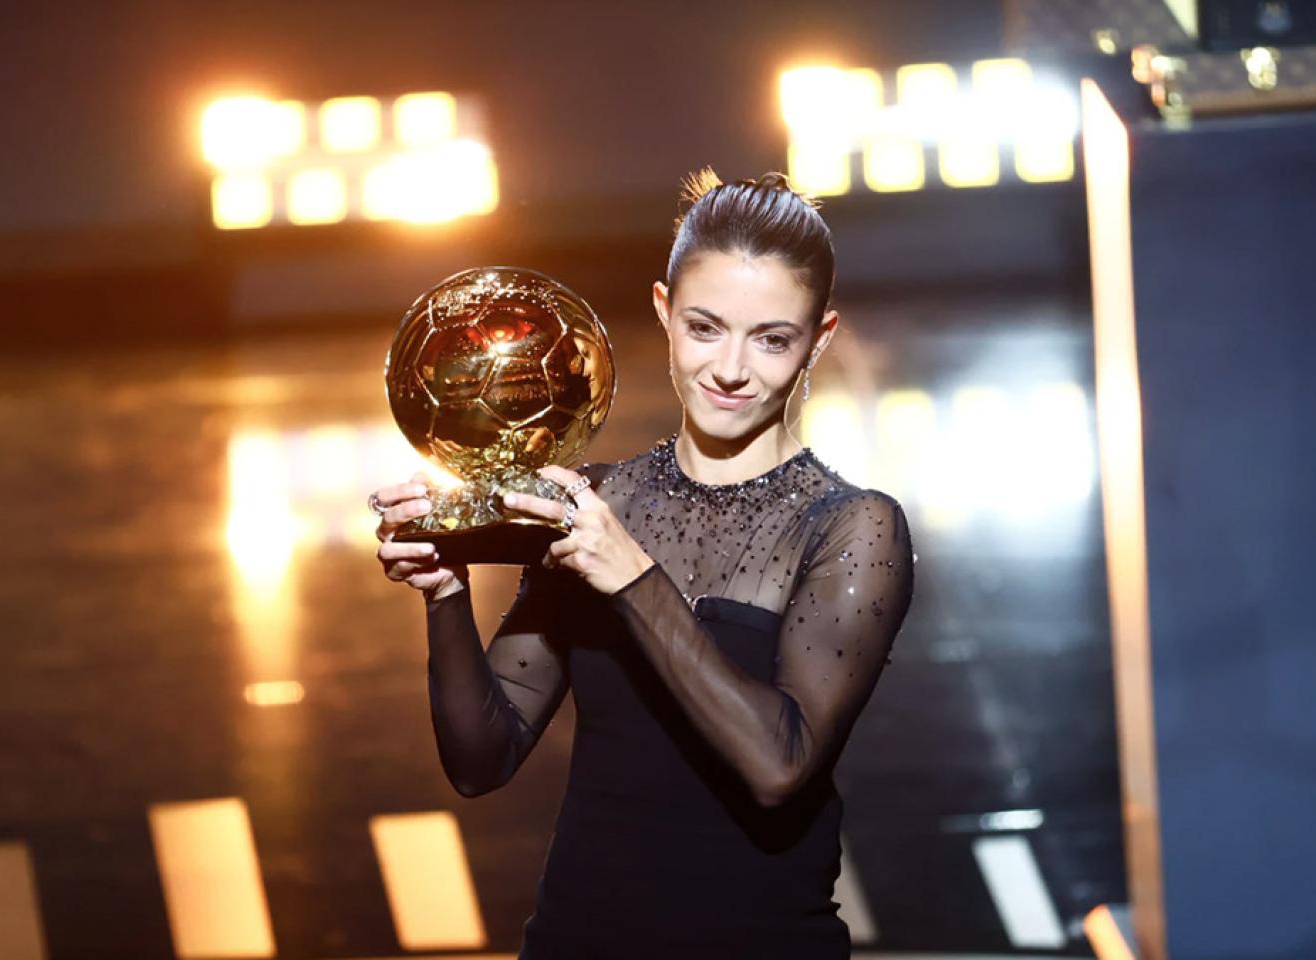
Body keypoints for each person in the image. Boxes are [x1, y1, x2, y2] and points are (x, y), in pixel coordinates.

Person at [369, 170, 916, 958]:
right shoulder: (596, 503)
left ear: (820, 338)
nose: (731, 369)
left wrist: (628, 573)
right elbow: (480, 759)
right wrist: (445, 592)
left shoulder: (851, 528)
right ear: (663, 312)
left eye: (772, 338)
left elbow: (777, 764)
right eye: (704, 327)